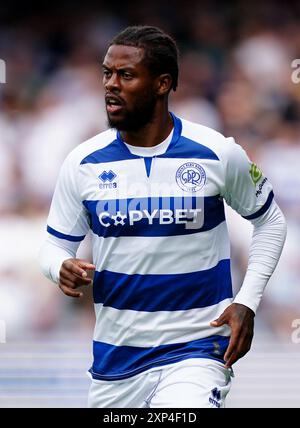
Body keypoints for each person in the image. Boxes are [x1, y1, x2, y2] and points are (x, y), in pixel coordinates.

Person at [38, 25, 287, 408]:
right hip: (116, 362)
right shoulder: (83, 162)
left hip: (196, 350)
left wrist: (247, 302)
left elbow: (270, 221)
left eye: (126, 75)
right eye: (107, 73)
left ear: (161, 83)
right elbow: (54, 246)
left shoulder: (216, 153)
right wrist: (60, 266)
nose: (111, 85)